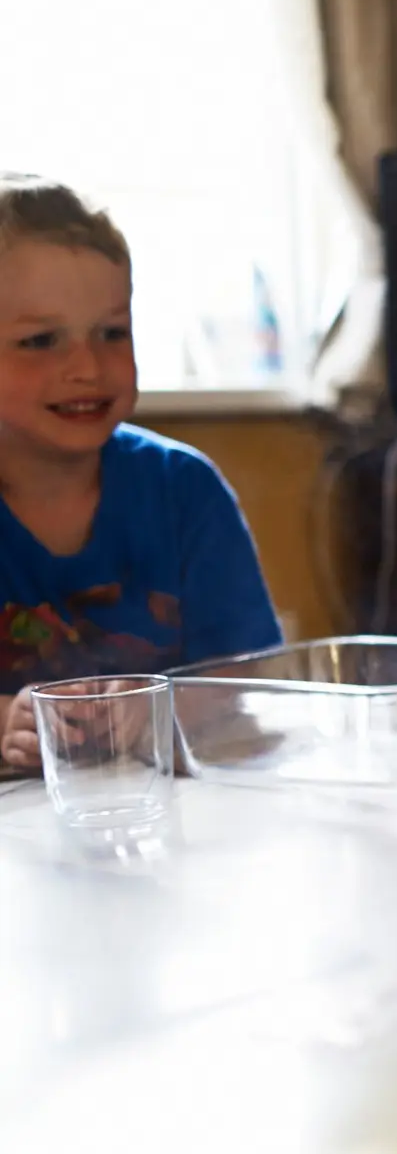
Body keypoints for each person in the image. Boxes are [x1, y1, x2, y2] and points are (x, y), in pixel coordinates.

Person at [0, 176, 282, 771]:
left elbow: (245, 670)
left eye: (112, 332)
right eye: (40, 340)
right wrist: (9, 720)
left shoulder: (185, 490)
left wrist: (159, 706)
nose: (87, 366)